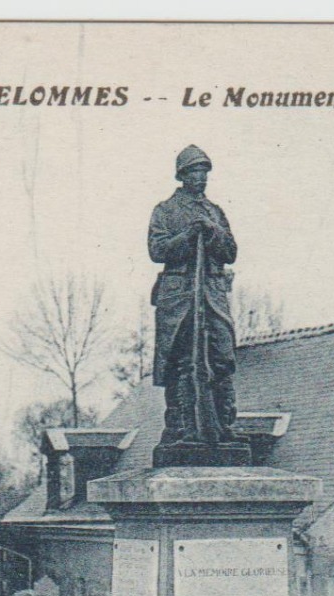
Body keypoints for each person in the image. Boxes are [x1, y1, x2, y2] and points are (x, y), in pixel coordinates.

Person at [147, 144, 241, 451]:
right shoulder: (165, 211)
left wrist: (212, 232)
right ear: (182, 176)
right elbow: (157, 251)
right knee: (182, 358)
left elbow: (231, 253)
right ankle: (183, 426)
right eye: (195, 172)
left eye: (205, 172)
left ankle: (223, 424)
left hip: (212, 292)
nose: (201, 178)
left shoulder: (215, 212)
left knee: (222, 357)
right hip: (180, 295)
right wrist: (187, 236)